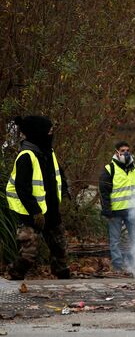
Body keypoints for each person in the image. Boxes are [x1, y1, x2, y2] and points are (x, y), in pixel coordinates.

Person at [5, 116, 70, 280]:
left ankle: (62, 274)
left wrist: (64, 190)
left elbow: (58, 173)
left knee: (59, 246)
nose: (51, 133)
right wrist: (35, 212)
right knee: (29, 251)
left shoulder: (49, 152)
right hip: (30, 213)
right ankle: (15, 272)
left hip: (51, 210)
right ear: (38, 132)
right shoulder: (26, 156)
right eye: (49, 131)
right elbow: (22, 188)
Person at [99, 141, 135, 272]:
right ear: (117, 152)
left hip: (132, 210)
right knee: (115, 240)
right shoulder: (109, 169)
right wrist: (107, 210)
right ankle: (118, 266)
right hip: (115, 211)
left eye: (128, 150)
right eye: (123, 150)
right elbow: (104, 191)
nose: (126, 153)